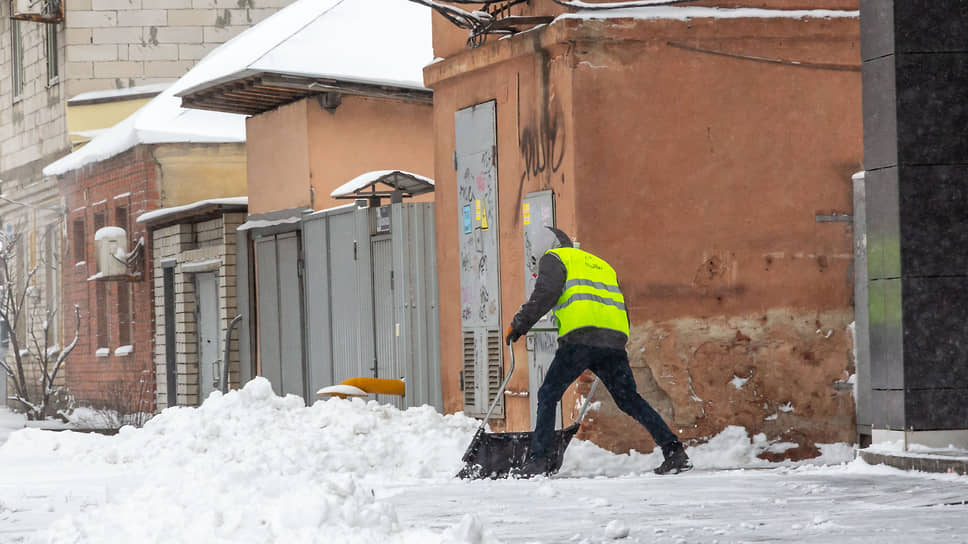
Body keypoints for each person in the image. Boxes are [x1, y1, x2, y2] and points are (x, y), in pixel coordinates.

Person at [505, 227, 692, 477]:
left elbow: (545, 294)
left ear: (542, 247)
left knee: (548, 394)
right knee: (629, 399)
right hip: (613, 342)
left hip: (580, 339)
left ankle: (538, 459)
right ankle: (674, 451)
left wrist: (520, 324)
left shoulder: (555, 258)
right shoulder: (600, 264)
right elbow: (620, 305)